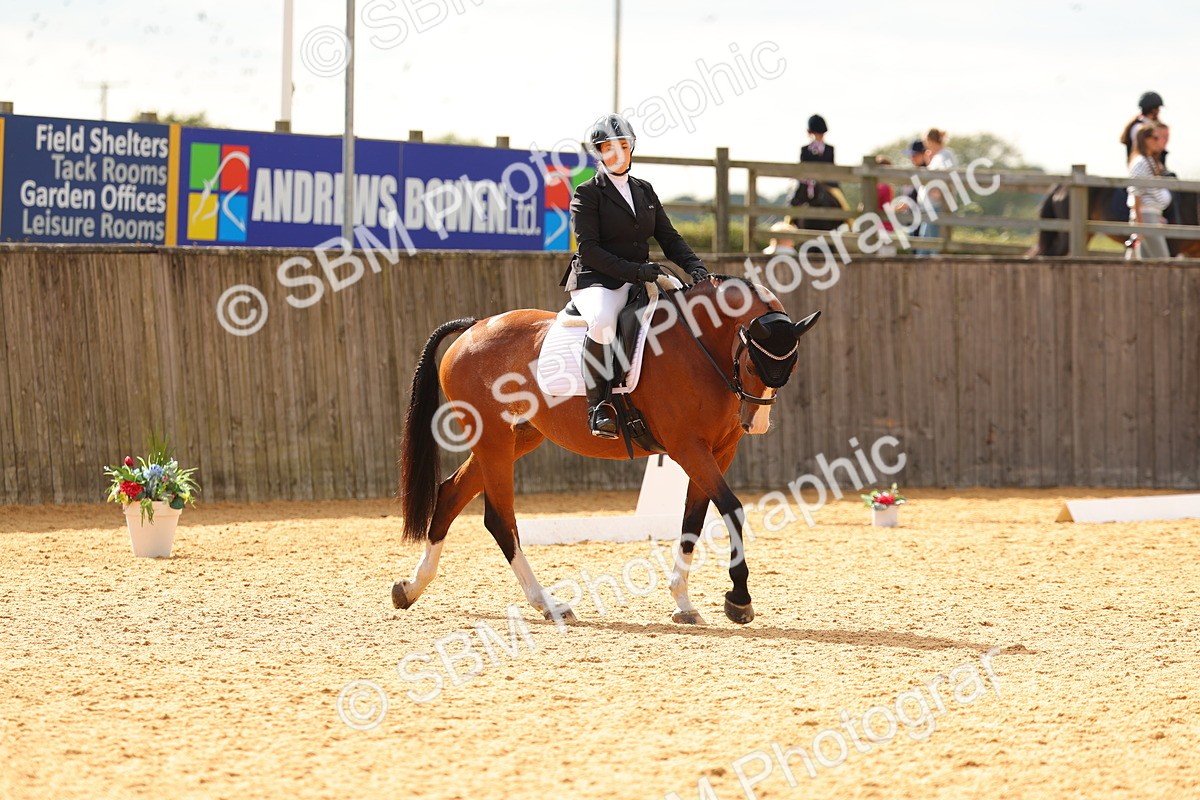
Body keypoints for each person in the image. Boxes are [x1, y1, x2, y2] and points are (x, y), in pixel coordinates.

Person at [561, 113, 709, 438]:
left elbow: (669, 238)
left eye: (623, 146)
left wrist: (695, 266)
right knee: (602, 321)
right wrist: (635, 271)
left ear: (631, 149)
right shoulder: (588, 193)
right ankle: (598, 408)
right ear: (599, 152)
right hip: (597, 280)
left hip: (641, 276)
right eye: (608, 148)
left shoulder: (644, 190)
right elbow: (589, 250)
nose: (617, 154)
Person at [1126, 123, 1171, 260]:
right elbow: (1136, 191)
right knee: (1162, 260)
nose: (1159, 141)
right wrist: (1140, 222)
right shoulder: (1141, 162)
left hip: (1151, 215)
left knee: (1146, 261)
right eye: (1155, 138)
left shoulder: (1149, 161)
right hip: (1146, 216)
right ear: (1146, 140)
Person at [915, 128, 957, 254]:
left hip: (937, 208)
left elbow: (945, 174)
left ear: (930, 140)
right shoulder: (939, 156)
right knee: (927, 246)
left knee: (931, 247)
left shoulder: (944, 155)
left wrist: (938, 190)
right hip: (932, 207)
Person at [1120, 91, 1164, 165]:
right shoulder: (1140, 128)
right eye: (1158, 108)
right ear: (1153, 110)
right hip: (1143, 166)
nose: (1159, 111)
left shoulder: (1143, 125)